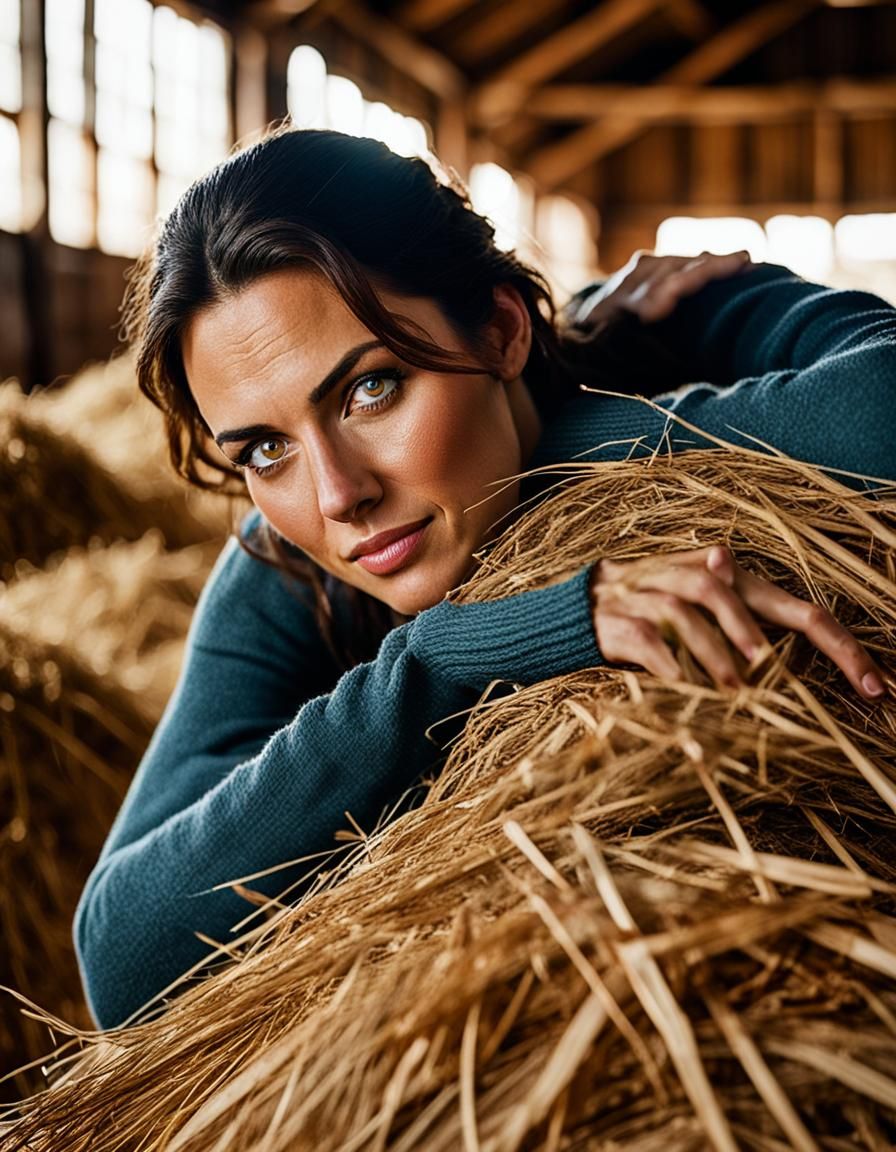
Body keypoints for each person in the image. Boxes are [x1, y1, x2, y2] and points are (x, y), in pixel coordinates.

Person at [75, 127, 896, 1030]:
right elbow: (119, 958)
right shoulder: (280, 569)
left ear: (503, 331)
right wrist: (438, 658)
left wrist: (591, 422)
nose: (339, 496)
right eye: (266, 450)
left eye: (370, 389)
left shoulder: (662, 337)